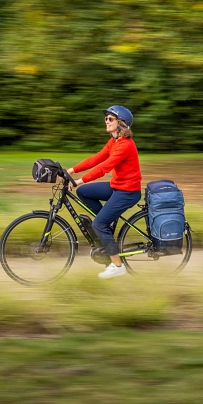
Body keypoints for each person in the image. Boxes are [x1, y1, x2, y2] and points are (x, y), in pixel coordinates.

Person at [66, 105, 142, 279]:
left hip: (128, 192)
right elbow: (97, 158)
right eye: (106, 118)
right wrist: (70, 170)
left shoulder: (125, 145)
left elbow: (104, 167)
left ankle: (117, 265)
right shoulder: (114, 141)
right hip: (117, 186)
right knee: (84, 192)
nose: (106, 121)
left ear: (121, 123)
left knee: (98, 224)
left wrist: (78, 181)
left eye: (110, 119)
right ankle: (105, 225)